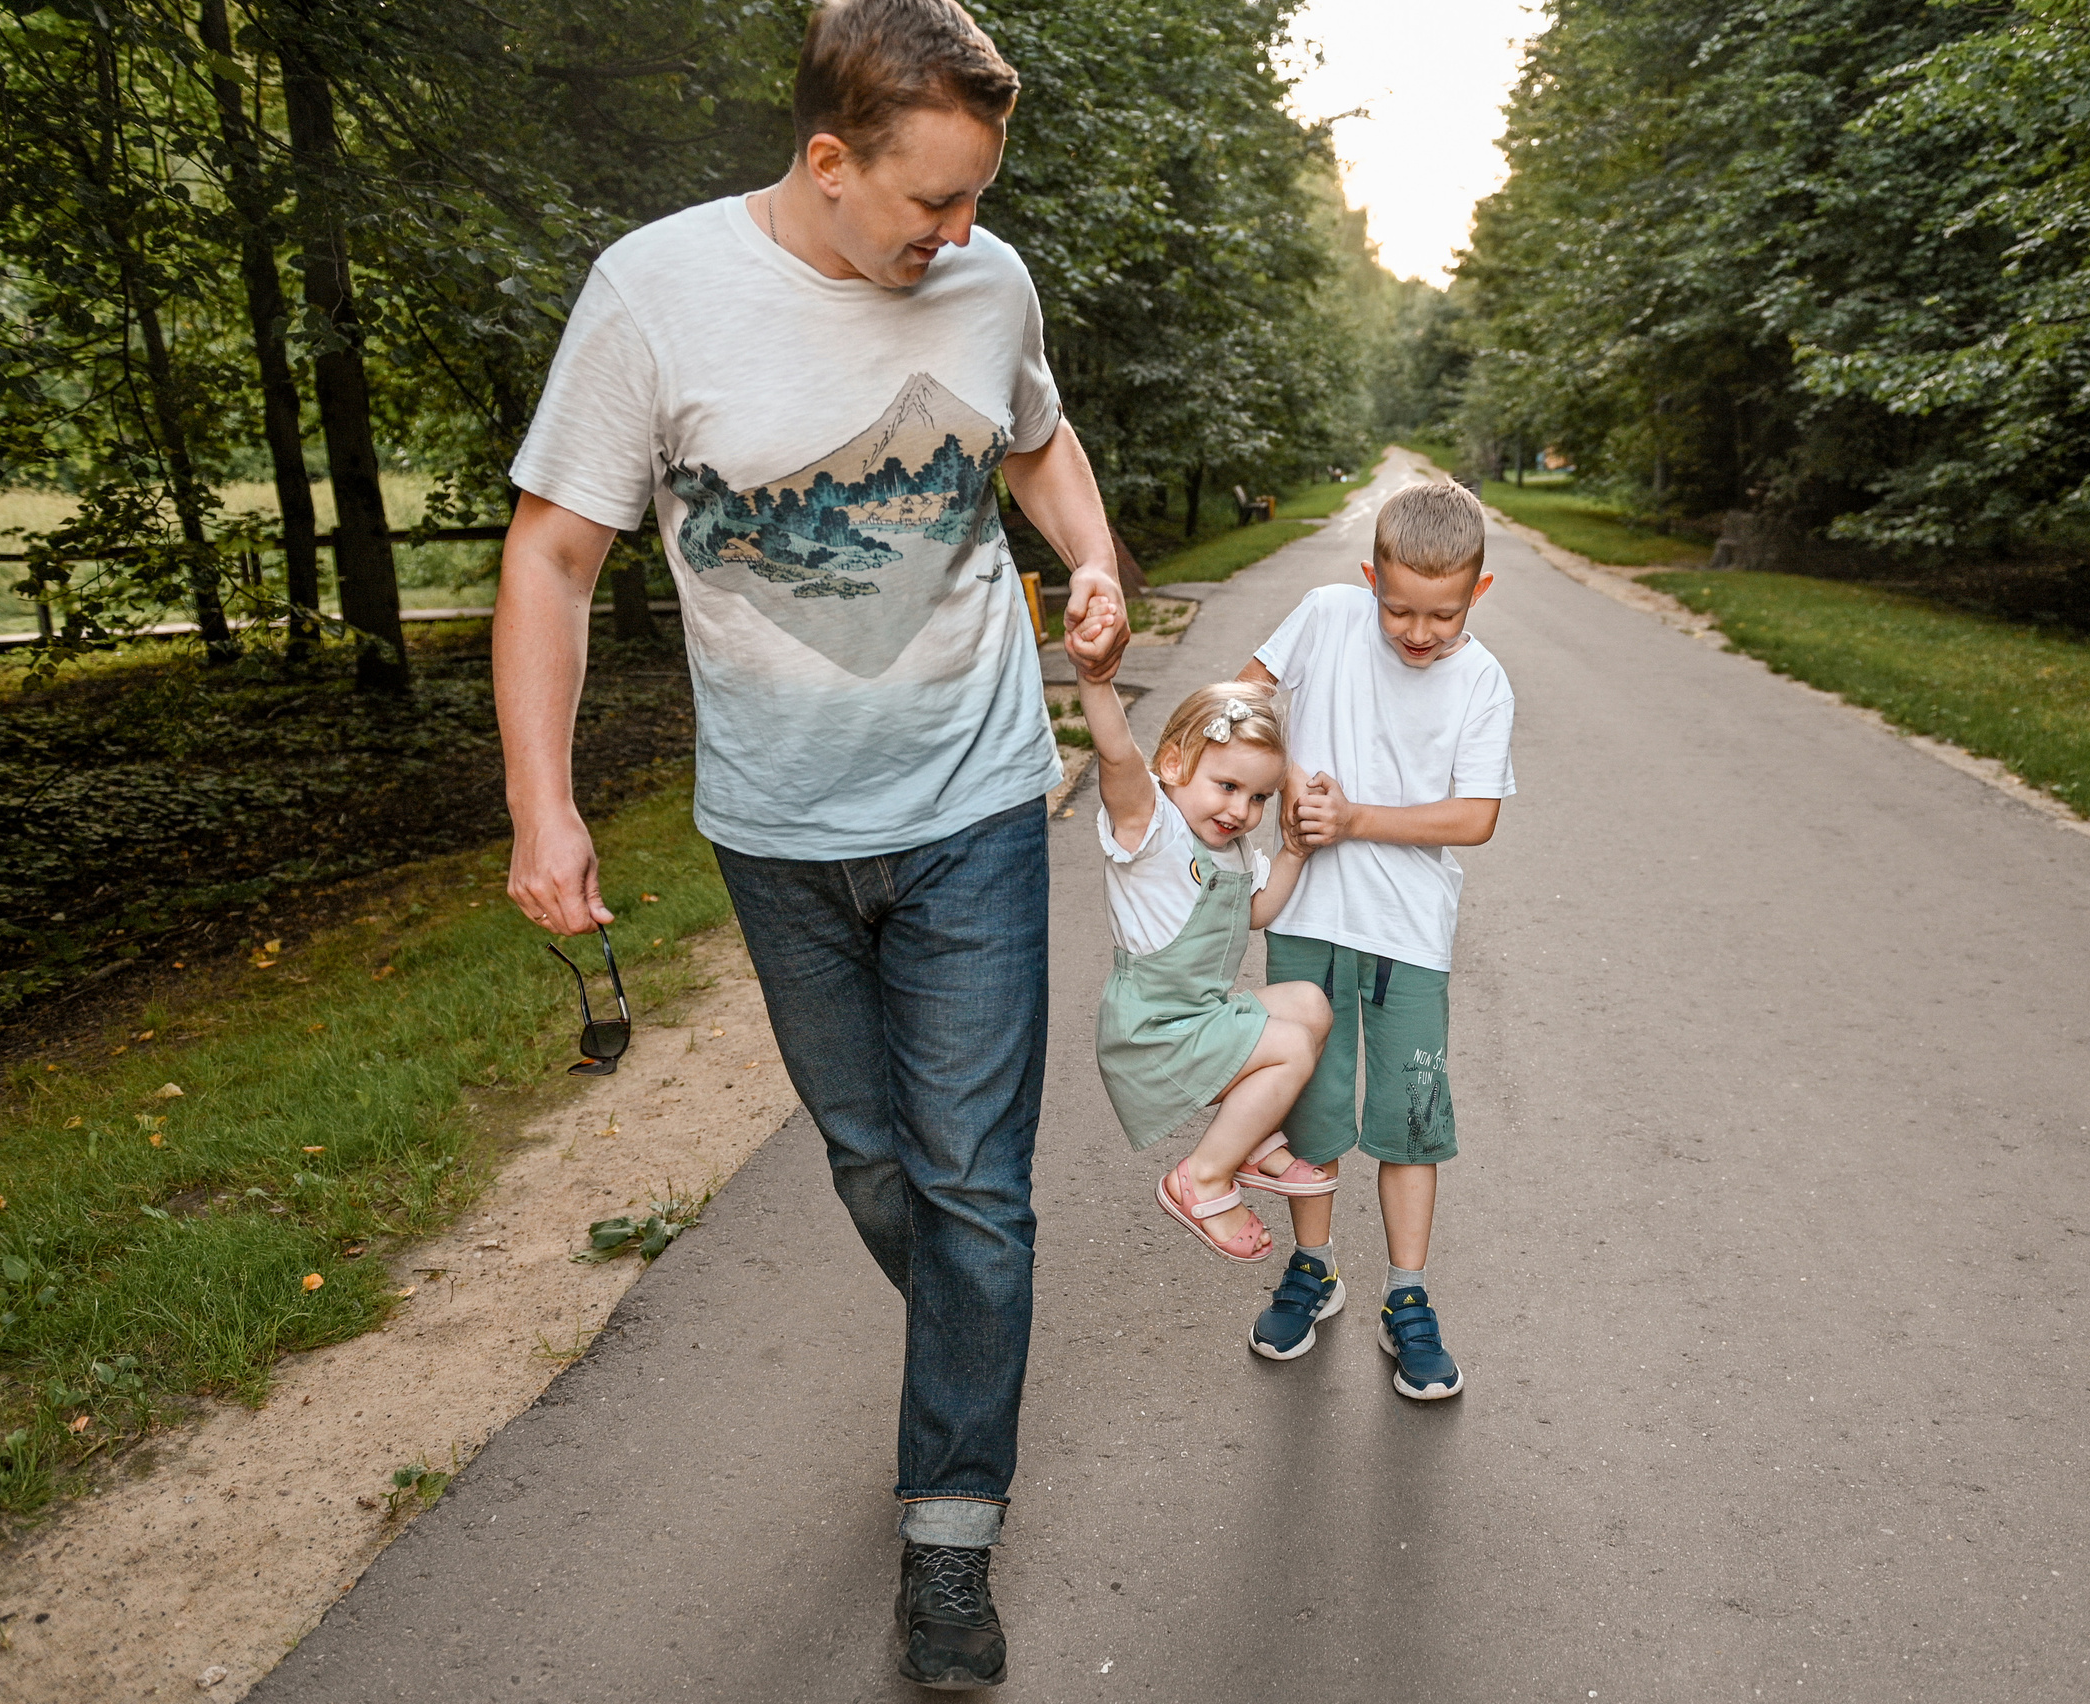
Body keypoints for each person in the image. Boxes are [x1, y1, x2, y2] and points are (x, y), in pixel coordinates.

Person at [491, 0, 1126, 1687]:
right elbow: (553, 558)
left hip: (978, 803)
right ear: (829, 161)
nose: (961, 235)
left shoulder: (988, 288)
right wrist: (542, 801)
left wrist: (1096, 556)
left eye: (979, 197)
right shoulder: (656, 293)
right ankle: (967, 1351)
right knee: (873, 1162)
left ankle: (949, 1524)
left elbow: (1040, 441)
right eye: (931, 202)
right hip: (776, 830)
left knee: (978, 1181)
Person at [1235, 478, 1515, 1399]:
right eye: (1397, 608)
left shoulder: (1481, 682)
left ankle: (1408, 1294)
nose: (1417, 632)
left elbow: (1475, 818)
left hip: (1409, 935)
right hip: (1308, 916)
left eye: (1441, 613)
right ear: (1368, 580)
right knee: (1307, 1110)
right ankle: (1313, 1272)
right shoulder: (1325, 616)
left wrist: (1353, 818)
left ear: (1477, 590)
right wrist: (1275, 783)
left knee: (1410, 1118)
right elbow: (1245, 701)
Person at [1068, 647, 1339, 1263]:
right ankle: (1204, 1178)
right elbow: (1116, 755)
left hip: (1197, 1016)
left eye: (1258, 797)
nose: (1241, 811)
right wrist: (1095, 681)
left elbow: (1255, 912)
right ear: (1173, 764)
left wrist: (1292, 852)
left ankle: (1253, 1145)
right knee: (1290, 1046)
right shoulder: (1152, 829)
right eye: (1227, 786)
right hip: (1153, 1032)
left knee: (1308, 1004)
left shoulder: (1234, 847)